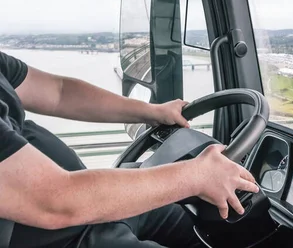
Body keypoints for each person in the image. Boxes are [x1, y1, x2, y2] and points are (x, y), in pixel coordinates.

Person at [0, 50, 259, 248]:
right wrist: (196, 176)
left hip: (90, 212)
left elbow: (59, 92)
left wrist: (152, 112)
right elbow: (54, 201)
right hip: (64, 236)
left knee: (187, 220)